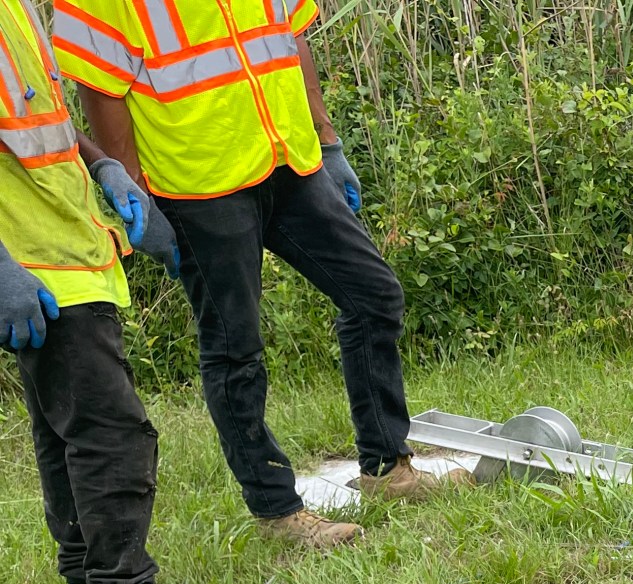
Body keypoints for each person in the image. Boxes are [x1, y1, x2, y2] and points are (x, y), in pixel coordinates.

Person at [52, 0, 467, 550]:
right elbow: (100, 84)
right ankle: (277, 512)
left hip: (288, 160)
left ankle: (387, 469)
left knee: (374, 296)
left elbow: (290, 37)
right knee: (235, 347)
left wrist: (327, 137)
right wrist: (133, 186)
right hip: (198, 181)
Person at [2, 0, 212, 584]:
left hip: (66, 248)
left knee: (67, 435)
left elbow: (46, 120)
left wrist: (101, 166)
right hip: (32, 265)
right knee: (112, 436)